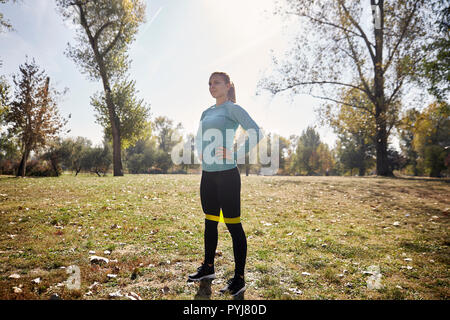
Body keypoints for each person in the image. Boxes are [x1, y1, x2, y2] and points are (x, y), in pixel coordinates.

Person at [187, 71, 264, 297]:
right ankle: (208, 268)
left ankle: (239, 278)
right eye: (209, 83)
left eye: (216, 83)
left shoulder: (232, 108)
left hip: (228, 176)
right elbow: (199, 137)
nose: (212, 86)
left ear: (228, 85)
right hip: (208, 175)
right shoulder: (206, 112)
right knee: (210, 221)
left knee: (233, 225)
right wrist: (201, 153)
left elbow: (256, 132)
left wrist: (235, 153)